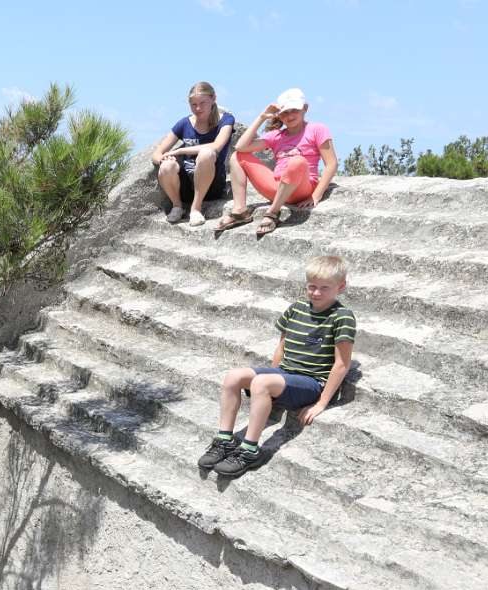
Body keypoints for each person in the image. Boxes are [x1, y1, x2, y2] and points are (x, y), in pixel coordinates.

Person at [197, 255, 356, 478]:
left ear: (341, 287)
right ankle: (224, 440)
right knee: (234, 376)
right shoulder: (297, 308)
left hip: (312, 382)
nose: (316, 293)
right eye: (312, 286)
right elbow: (281, 347)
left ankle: (250, 450)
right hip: (285, 374)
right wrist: (272, 379)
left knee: (261, 383)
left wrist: (321, 403)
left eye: (324, 288)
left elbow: (341, 364)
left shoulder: (342, 317)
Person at [216, 88, 338, 239]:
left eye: (294, 110)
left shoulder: (317, 129)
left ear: (305, 108)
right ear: (279, 115)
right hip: (276, 187)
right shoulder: (276, 136)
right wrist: (261, 117)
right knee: (237, 156)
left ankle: (273, 212)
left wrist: (316, 196)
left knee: (297, 161)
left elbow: (332, 164)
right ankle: (240, 211)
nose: (289, 116)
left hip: (301, 189)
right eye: (284, 112)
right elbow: (240, 147)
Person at [152, 82, 235, 227]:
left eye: (203, 103)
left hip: (212, 185)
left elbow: (216, 146)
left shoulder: (226, 120)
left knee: (207, 154)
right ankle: (177, 206)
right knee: (166, 166)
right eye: (193, 104)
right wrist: (164, 159)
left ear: (213, 98)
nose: (198, 108)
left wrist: (181, 151)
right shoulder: (184, 123)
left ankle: (196, 209)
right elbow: (156, 154)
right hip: (185, 186)